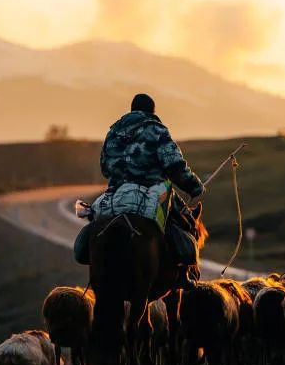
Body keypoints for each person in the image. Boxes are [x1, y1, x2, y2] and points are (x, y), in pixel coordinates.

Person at [74, 93, 205, 287]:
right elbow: (174, 165)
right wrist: (194, 186)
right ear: (152, 111)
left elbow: (105, 166)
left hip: (117, 190)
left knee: (97, 221)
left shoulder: (114, 131)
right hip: (153, 187)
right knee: (181, 220)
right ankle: (183, 275)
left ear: (132, 110)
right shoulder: (157, 130)